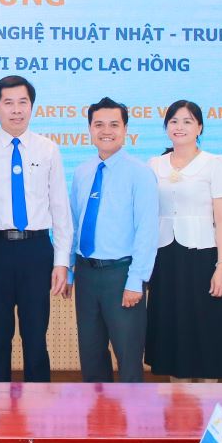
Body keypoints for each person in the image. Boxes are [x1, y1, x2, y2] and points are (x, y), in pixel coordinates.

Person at [0, 75, 73, 382]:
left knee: (36, 337)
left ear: (32, 107)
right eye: (8, 103)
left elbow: (60, 210)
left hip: (37, 250)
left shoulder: (48, 149)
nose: (17, 110)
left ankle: (39, 405)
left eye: (23, 102)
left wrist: (62, 262)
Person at [67, 97, 159, 383]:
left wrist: (136, 281)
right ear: (90, 129)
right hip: (86, 273)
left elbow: (147, 230)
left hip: (121, 275)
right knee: (91, 357)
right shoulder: (82, 172)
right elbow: (75, 223)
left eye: (114, 125)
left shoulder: (140, 173)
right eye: (99, 125)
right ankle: (98, 412)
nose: (106, 131)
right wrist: (69, 271)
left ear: (125, 129)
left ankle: (132, 413)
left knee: (128, 360)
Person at [145, 100, 222, 382]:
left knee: (205, 328)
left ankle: (208, 397)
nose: (179, 127)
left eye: (187, 121)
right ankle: (178, 397)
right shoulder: (154, 164)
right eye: (173, 121)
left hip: (202, 255)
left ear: (200, 127)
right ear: (166, 127)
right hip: (165, 257)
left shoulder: (215, 163)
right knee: (172, 329)